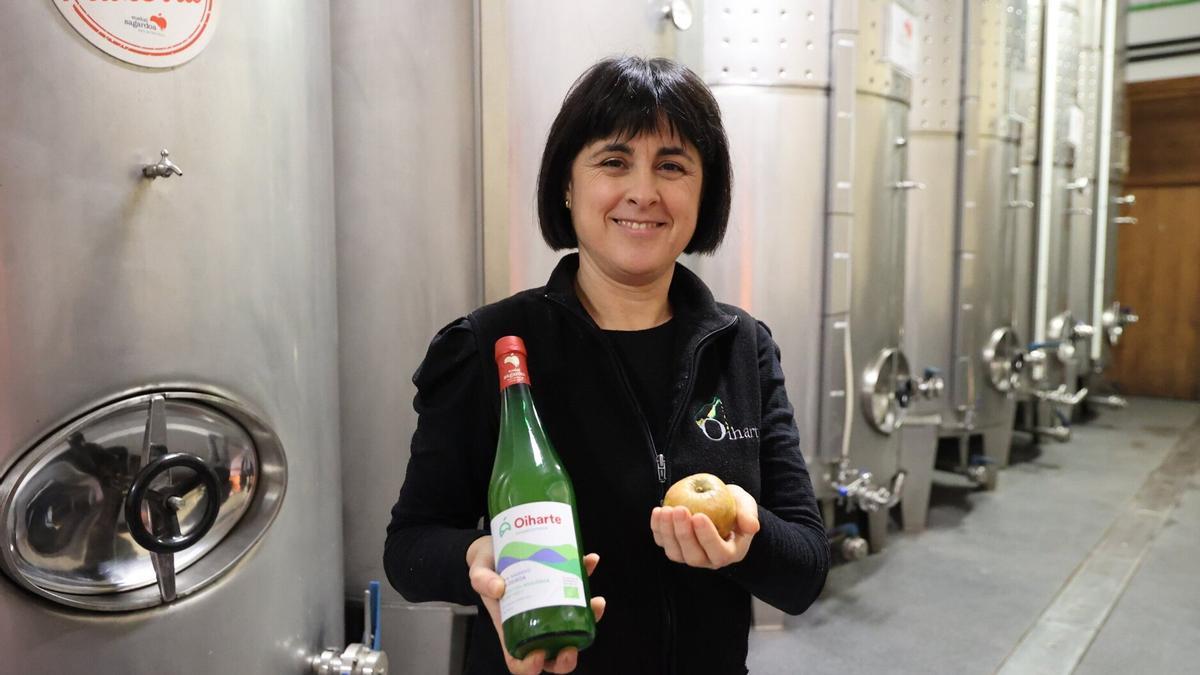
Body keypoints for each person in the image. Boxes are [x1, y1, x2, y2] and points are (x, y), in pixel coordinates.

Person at [384, 56, 829, 675]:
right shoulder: (492, 346)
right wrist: (479, 556)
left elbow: (805, 571)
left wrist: (748, 542)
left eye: (672, 166)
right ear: (567, 185)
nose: (643, 192)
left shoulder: (742, 347)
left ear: (704, 192)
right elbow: (409, 548)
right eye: (614, 161)